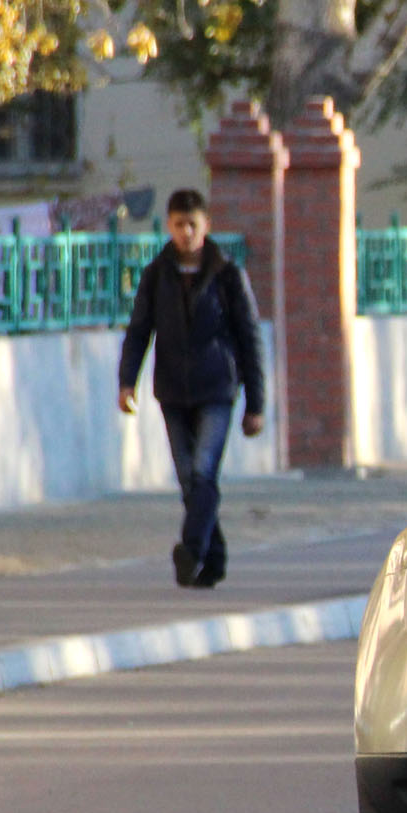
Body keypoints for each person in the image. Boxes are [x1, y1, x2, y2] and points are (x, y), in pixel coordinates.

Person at [118, 189, 266, 588]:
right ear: (169, 225)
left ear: (206, 226)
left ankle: (190, 549)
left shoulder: (227, 274)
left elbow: (249, 338)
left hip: (217, 390)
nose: (186, 232)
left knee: (203, 472)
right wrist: (126, 381)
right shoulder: (156, 274)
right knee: (188, 480)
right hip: (171, 391)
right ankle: (212, 560)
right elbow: (139, 331)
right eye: (179, 224)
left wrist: (256, 403)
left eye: (193, 225)